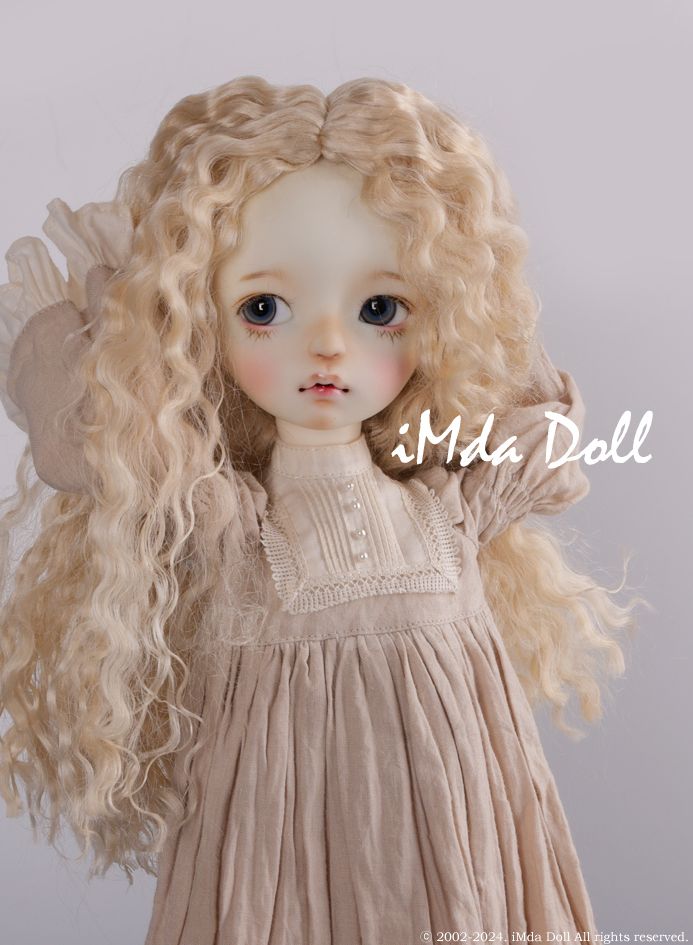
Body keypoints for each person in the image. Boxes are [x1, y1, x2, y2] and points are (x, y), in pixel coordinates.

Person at [0, 75, 637, 943]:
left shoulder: (450, 513)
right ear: (203, 326)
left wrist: (475, 290)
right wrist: (128, 329)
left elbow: (546, 434)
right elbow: (90, 442)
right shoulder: (236, 525)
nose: (330, 344)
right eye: (263, 309)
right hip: (284, 872)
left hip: (461, 856)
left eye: (380, 308)